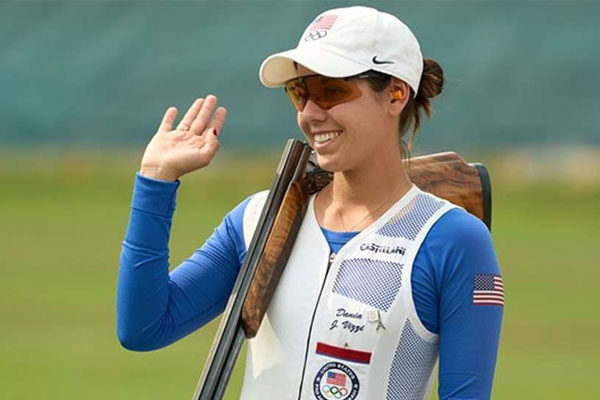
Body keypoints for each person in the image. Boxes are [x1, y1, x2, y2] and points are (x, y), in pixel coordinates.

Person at [117, 6, 503, 400]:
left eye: (331, 91)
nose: (310, 113)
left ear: (396, 94)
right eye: (300, 93)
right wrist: (155, 180)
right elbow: (143, 327)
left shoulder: (455, 241)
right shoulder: (258, 220)